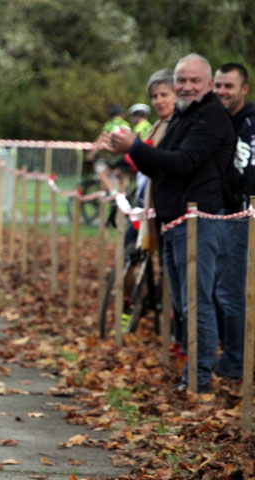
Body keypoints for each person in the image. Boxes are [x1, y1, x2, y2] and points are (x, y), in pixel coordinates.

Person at [110, 53, 235, 393]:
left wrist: (135, 146)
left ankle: (200, 378)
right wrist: (133, 152)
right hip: (170, 222)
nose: (187, 86)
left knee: (197, 303)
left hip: (198, 223)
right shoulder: (182, 116)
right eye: (182, 80)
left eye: (194, 80)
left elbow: (183, 162)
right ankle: (191, 372)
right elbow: (161, 167)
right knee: (181, 304)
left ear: (208, 84)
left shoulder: (211, 116)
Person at [212, 62, 255, 381]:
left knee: (231, 290)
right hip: (217, 214)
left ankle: (236, 359)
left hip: (242, 216)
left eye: (228, 86)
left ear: (244, 89)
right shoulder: (214, 119)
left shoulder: (250, 125)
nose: (222, 92)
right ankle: (233, 353)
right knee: (219, 289)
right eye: (218, 85)